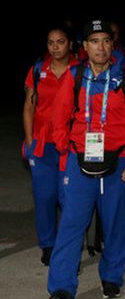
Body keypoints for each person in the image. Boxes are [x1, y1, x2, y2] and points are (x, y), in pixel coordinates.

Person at [47, 20, 125, 299]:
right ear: (85, 46)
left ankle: (112, 277)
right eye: (94, 41)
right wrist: (65, 147)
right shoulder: (74, 76)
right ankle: (62, 286)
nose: (100, 47)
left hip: (118, 161)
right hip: (80, 159)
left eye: (105, 41)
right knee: (71, 224)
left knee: (117, 225)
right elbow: (59, 116)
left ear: (112, 44)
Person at [23, 26, 77, 266]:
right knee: (44, 197)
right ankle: (47, 244)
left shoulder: (81, 70)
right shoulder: (37, 70)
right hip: (43, 144)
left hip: (70, 145)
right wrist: (30, 141)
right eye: (51, 42)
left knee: (69, 198)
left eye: (61, 42)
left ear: (71, 44)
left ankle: (66, 246)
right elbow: (28, 107)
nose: (55, 47)